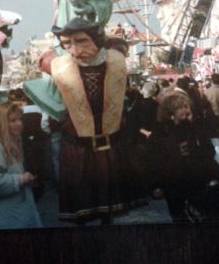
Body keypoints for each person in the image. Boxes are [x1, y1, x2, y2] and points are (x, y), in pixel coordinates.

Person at [23, 18, 140, 224]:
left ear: (96, 39)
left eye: (81, 41)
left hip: (110, 141)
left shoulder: (115, 60)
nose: (75, 50)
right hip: (78, 146)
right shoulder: (58, 66)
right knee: (81, 206)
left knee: (109, 209)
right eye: (67, 44)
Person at [147, 92, 219, 222]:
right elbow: (154, 159)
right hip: (173, 183)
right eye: (182, 107)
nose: (187, 110)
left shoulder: (193, 127)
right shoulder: (160, 131)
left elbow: (209, 150)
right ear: (171, 111)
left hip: (196, 180)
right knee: (180, 218)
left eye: (187, 106)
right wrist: (156, 185)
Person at [0, 102, 42, 230]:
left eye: (20, 119)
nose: (19, 123)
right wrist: (20, 179)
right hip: (1, 217)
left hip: (8, 214)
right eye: (13, 120)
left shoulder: (11, 141)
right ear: (2, 123)